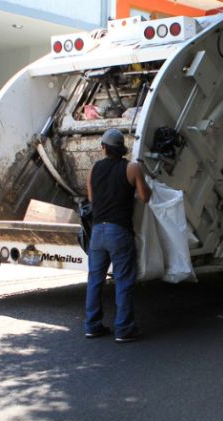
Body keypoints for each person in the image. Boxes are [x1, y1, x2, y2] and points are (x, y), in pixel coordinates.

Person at [83, 128, 151, 343]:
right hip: (119, 231)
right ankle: (124, 329)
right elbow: (145, 197)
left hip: (97, 232)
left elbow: (92, 199)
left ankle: (92, 326)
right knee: (123, 281)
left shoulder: (93, 169)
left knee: (95, 280)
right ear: (122, 148)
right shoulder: (132, 168)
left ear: (103, 148)